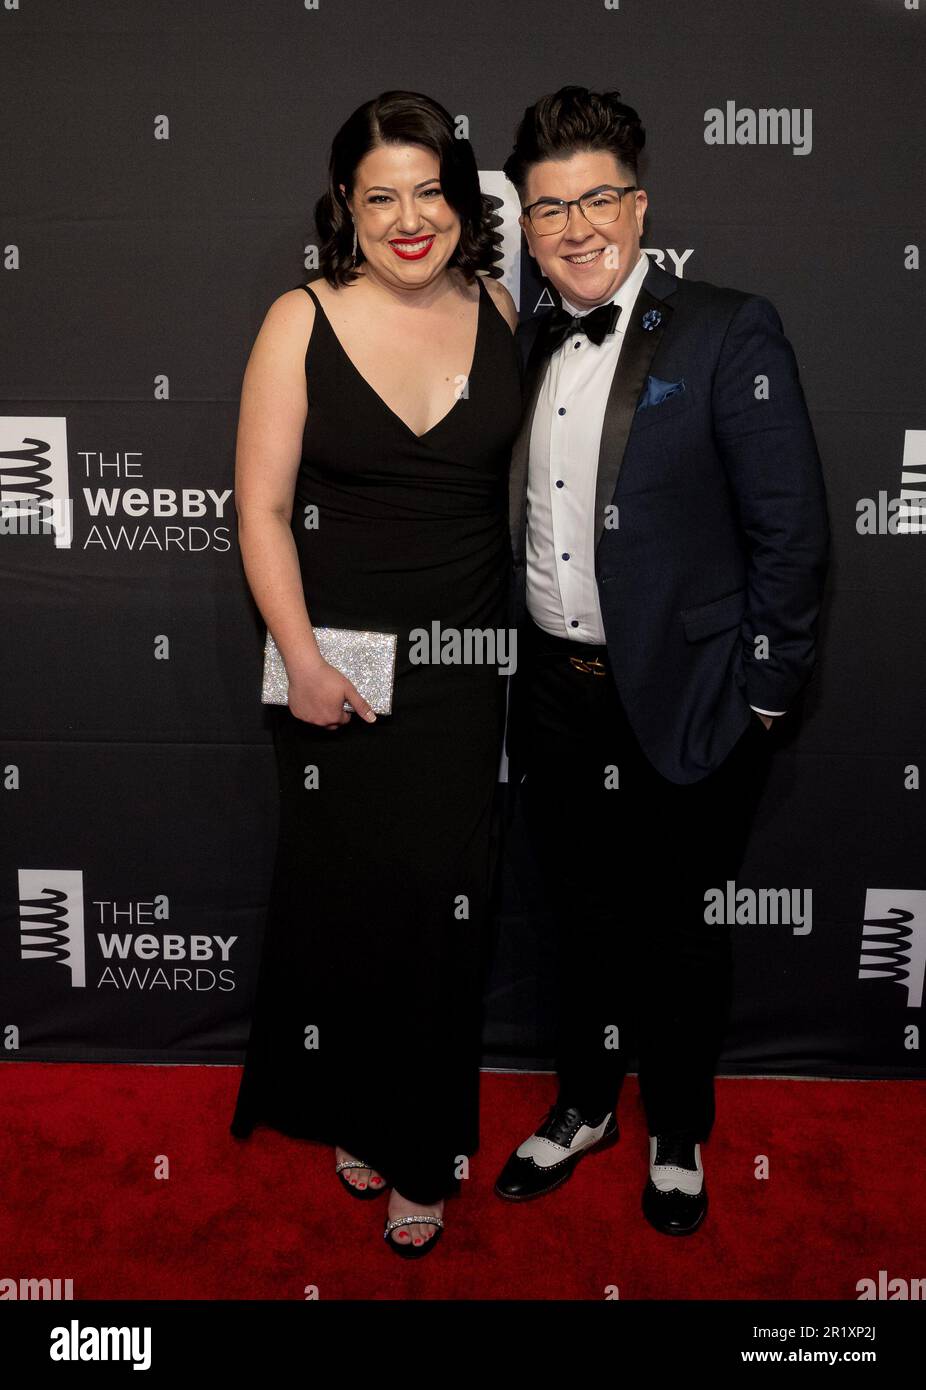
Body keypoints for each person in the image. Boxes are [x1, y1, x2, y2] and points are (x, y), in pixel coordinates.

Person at [494, 85, 829, 1234]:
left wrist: (763, 694)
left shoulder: (727, 329)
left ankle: (676, 1125)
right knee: (576, 920)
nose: (576, 228)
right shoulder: (521, 340)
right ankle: (584, 1102)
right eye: (549, 208)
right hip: (553, 693)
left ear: (639, 206)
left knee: (678, 932)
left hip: (688, 697)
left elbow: (789, 529)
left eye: (598, 199)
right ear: (525, 224)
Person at [229, 90, 521, 1258]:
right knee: (349, 907)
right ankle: (355, 1106)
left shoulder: (500, 308)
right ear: (345, 208)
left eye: (430, 192)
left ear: (461, 200)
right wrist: (300, 659)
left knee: (442, 912)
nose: (409, 220)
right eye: (380, 196)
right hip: (335, 670)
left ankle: (421, 1150)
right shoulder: (297, 319)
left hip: (464, 674)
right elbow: (259, 509)